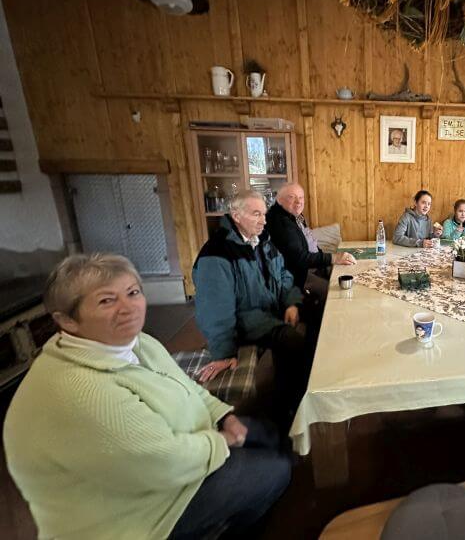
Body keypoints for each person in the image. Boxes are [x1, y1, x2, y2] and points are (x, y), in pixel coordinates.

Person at [2, 254, 291, 539]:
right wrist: (224, 441)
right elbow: (165, 463)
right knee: (275, 471)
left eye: (133, 292)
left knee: (269, 433)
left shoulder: (138, 342)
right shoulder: (78, 391)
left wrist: (223, 415)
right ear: (67, 320)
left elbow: (187, 387)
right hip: (144, 512)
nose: (129, 308)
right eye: (107, 300)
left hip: (187, 449)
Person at [192, 190, 308, 417]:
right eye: (256, 214)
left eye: (264, 214)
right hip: (246, 320)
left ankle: (297, 389)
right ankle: (290, 409)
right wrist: (224, 353)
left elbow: (284, 276)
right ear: (236, 216)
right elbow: (215, 310)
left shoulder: (263, 241)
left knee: (314, 317)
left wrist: (292, 304)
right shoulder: (216, 254)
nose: (264, 221)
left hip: (270, 312)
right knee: (292, 341)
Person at [266, 182, 355, 294]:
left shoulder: (294, 215)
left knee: (349, 276)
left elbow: (310, 244)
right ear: (279, 200)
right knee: (334, 292)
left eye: (301, 197)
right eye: (292, 197)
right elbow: (300, 258)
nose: (298, 202)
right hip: (297, 276)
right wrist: (334, 258)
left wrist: (327, 263)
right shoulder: (282, 223)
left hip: (311, 266)